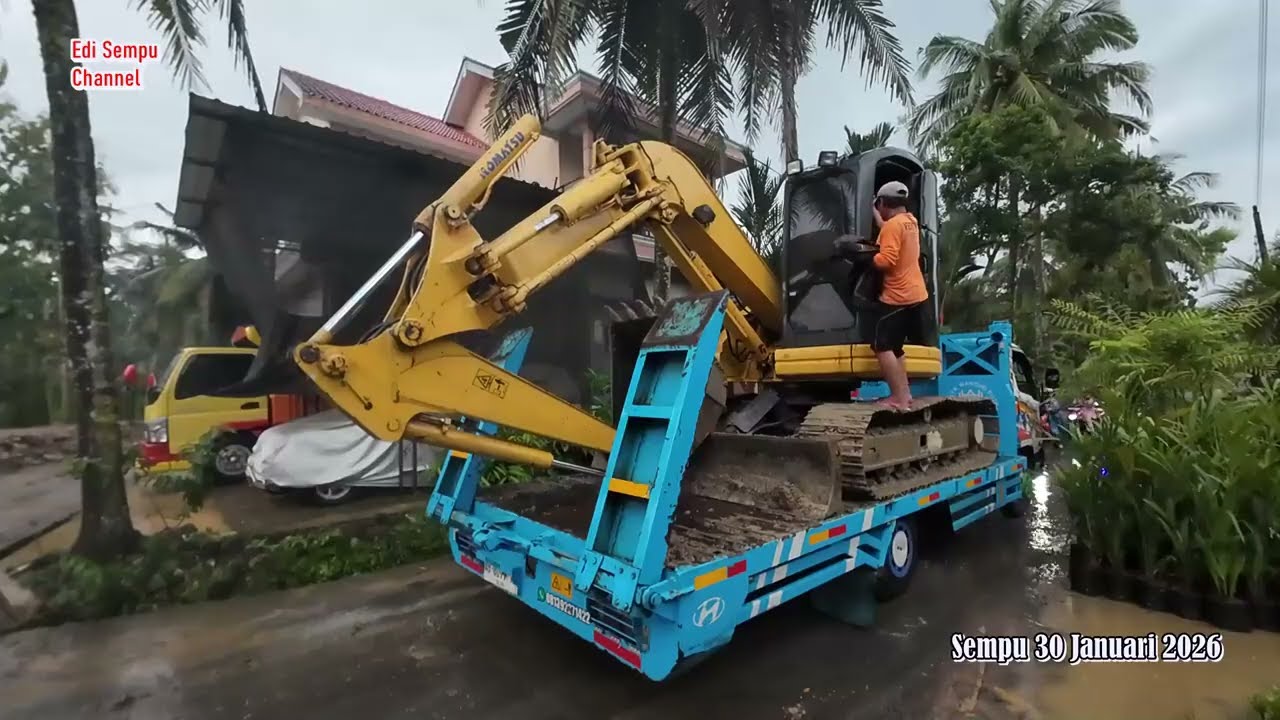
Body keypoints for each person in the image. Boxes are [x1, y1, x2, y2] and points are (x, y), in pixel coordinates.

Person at [867, 180, 929, 410]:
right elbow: (889, 229)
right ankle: (906, 394)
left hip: (897, 297)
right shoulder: (910, 222)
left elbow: (887, 260)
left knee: (881, 346)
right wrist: (877, 217)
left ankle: (898, 398)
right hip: (917, 293)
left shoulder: (893, 227)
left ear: (883, 202)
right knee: (896, 348)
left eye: (878, 204)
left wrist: (864, 256)